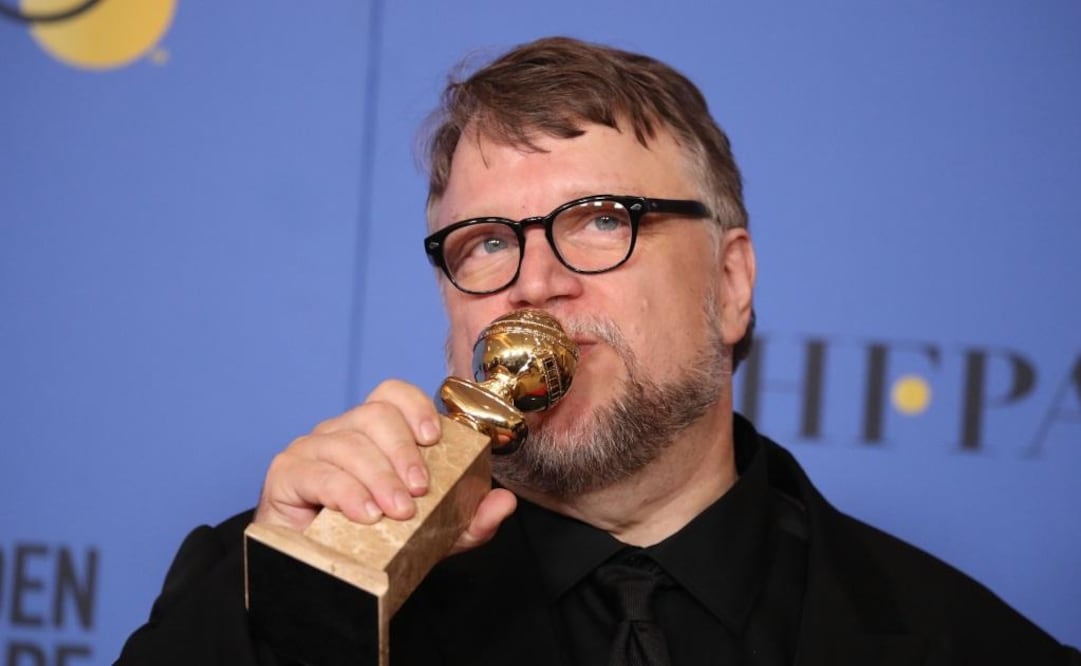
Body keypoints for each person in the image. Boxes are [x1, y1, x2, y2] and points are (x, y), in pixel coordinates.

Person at [117, 36, 1079, 665]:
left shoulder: (970, 643)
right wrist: (291, 607)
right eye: (487, 242)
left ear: (730, 284)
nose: (533, 283)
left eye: (597, 221)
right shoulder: (254, 589)